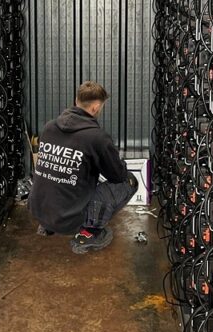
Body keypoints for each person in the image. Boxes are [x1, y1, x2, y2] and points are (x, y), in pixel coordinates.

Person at [28, 81, 138, 254]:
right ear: (95, 108)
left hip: (40, 211)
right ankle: (89, 232)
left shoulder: (49, 127)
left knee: (59, 176)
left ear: (76, 100)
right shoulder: (97, 138)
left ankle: (48, 225)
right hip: (69, 220)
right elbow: (117, 176)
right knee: (129, 182)